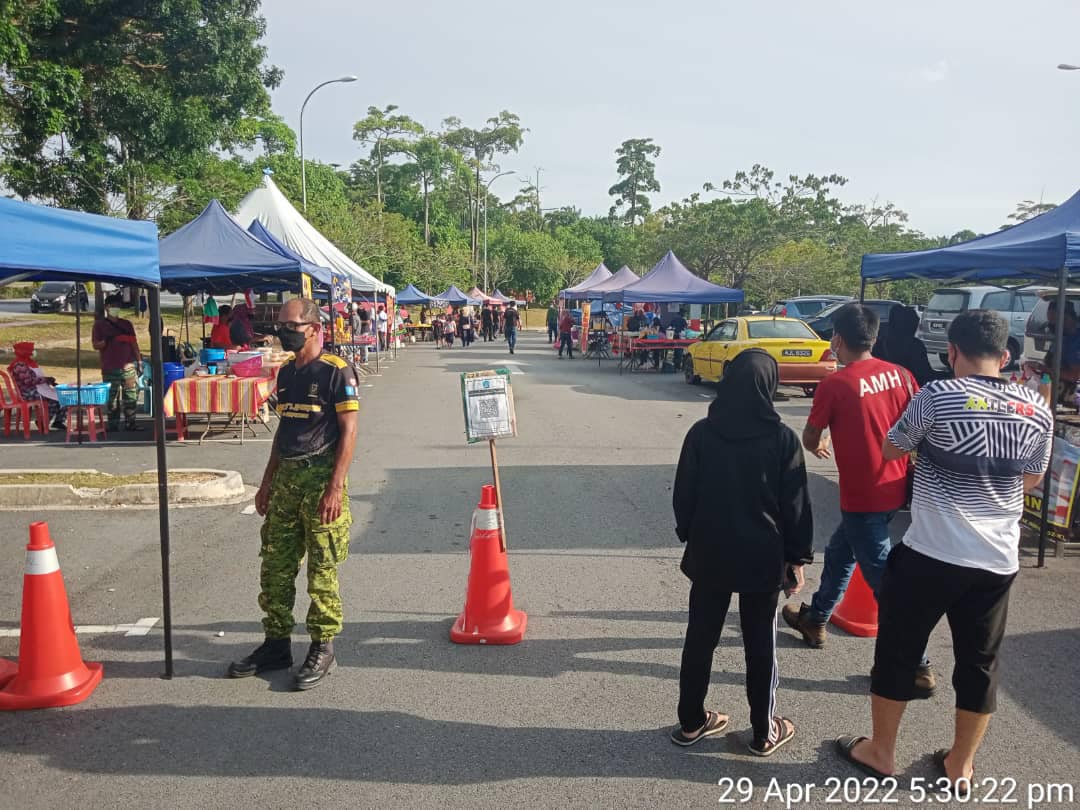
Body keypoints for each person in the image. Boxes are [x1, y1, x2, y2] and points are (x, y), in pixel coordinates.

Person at [835, 310, 1053, 793]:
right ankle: (960, 765)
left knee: (898, 651)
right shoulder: (1037, 407)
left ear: (951, 351)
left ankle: (881, 752)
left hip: (931, 552)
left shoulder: (936, 396)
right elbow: (1032, 480)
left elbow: (893, 449)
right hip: (997, 559)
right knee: (979, 662)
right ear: (1006, 354)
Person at [784, 304, 937, 694]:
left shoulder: (837, 384)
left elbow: (809, 436)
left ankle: (917, 664)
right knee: (840, 553)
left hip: (863, 494)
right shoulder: (900, 375)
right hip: (895, 486)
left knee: (883, 581)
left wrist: (822, 443)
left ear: (836, 339)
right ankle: (816, 618)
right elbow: (916, 426)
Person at [672, 349, 813, 755]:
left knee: (700, 637)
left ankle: (691, 721)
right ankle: (762, 730)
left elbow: (685, 494)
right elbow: (796, 504)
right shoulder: (781, 438)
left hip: (710, 552)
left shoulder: (702, 433)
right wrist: (797, 558)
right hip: (762, 557)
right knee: (759, 643)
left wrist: (690, 534)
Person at [228, 298, 360, 691]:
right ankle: (276, 643)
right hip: (286, 478)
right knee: (276, 566)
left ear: (314, 329)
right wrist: (266, 482)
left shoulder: (337, 372)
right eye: (280, 324)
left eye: (290, 325)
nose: (282, 331)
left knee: (322, 569)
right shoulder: (286, 373)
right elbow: (284, 430)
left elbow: (349, 432)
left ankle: (323, 645)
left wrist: (335, 487)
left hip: (321, 480)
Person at [91, 294, 142, 432]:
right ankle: (113, 424)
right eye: (113, 306)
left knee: (131, 395)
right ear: (107, 308)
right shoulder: (99, 325)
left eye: (118, 306)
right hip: (110, 367)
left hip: (128, 367)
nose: (116, 309)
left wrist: (139, 361)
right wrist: (105, 341)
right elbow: (96, 345)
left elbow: (134, 344)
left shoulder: (126, 324)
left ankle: (131, 422)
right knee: (112, 398)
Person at [875, 305, 944, 386]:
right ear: (912, 325)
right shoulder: (915, 346)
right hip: (910, 392)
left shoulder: (878, 344)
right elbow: (925, 376)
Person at [7, 341, 65, 430]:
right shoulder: (19, 364)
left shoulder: (29, 362)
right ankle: (42, 422)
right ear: (24, 351)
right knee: (55, 400)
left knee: (64, 396)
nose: (33, 352)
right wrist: (46, 380)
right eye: (31, 350)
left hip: (36, 388)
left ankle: (59, 421)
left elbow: (36, 377)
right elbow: (28, 381)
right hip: (28, 392)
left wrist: (49, 380)